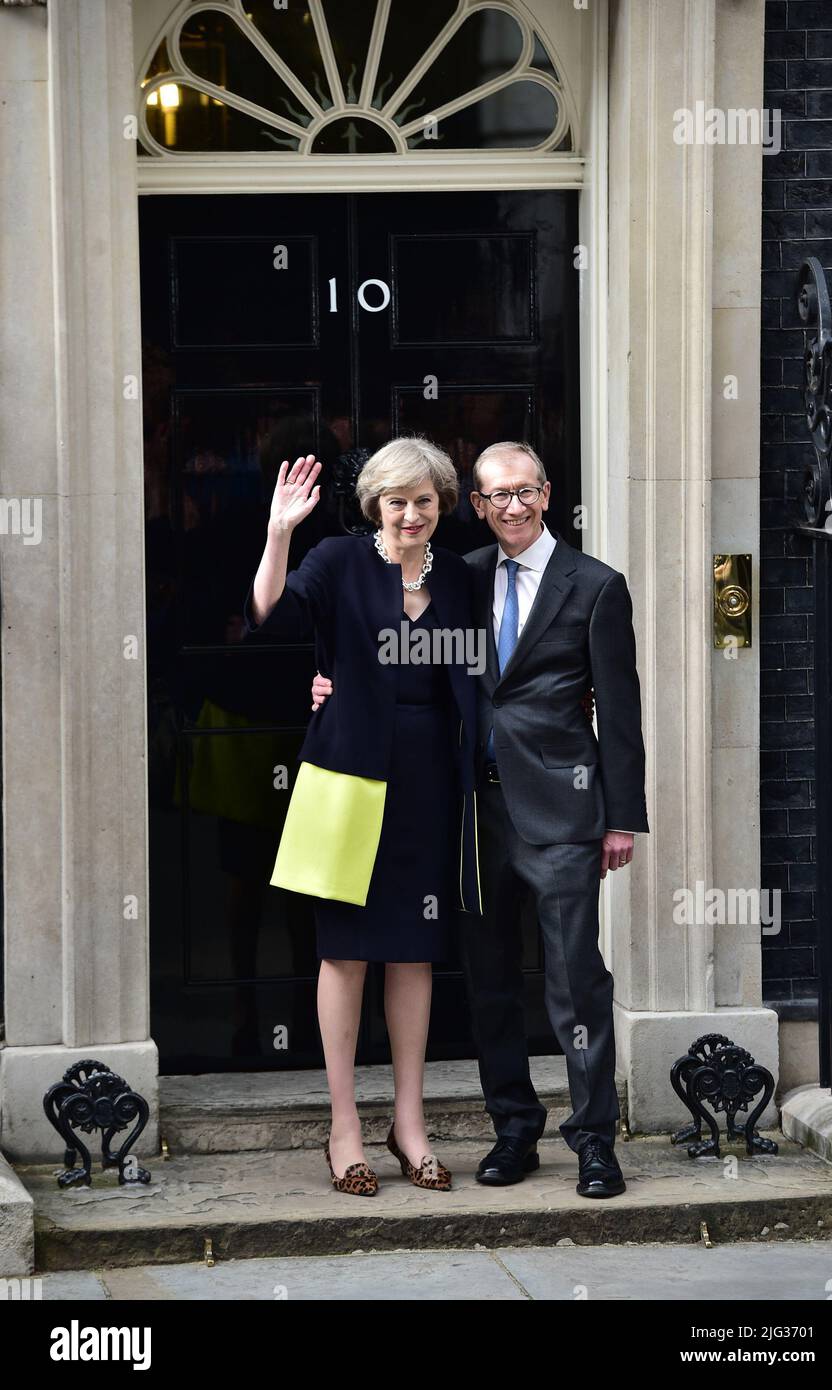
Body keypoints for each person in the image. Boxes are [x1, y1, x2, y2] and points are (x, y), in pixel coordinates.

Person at [313, 439, 648, 1199]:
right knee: (490, 981)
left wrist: (620, 818)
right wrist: (328, 686)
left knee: (574, 985)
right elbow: (394, 658)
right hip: (470, 810)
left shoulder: (594, 586)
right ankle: (514, 1132)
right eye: (495, 496)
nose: (511, 507)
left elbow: (620, 715)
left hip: (562, 814)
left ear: (547, 493)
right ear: (477, 505)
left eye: (524, 491)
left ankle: (594, 1141)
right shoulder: (457, 577)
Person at [243, 439, 481, 1198]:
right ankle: (343, 1125)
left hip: (429, 781)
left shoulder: (465, 580)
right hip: (345, 774)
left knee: (412, 952)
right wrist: (280, 532)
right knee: (344, 952)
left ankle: (407, 1124)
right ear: (373, 504)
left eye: (423, 501)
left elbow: (485, 674)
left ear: (441, 505)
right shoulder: (340, 561)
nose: (409, 515)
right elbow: (269, 617)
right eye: (394, 501)